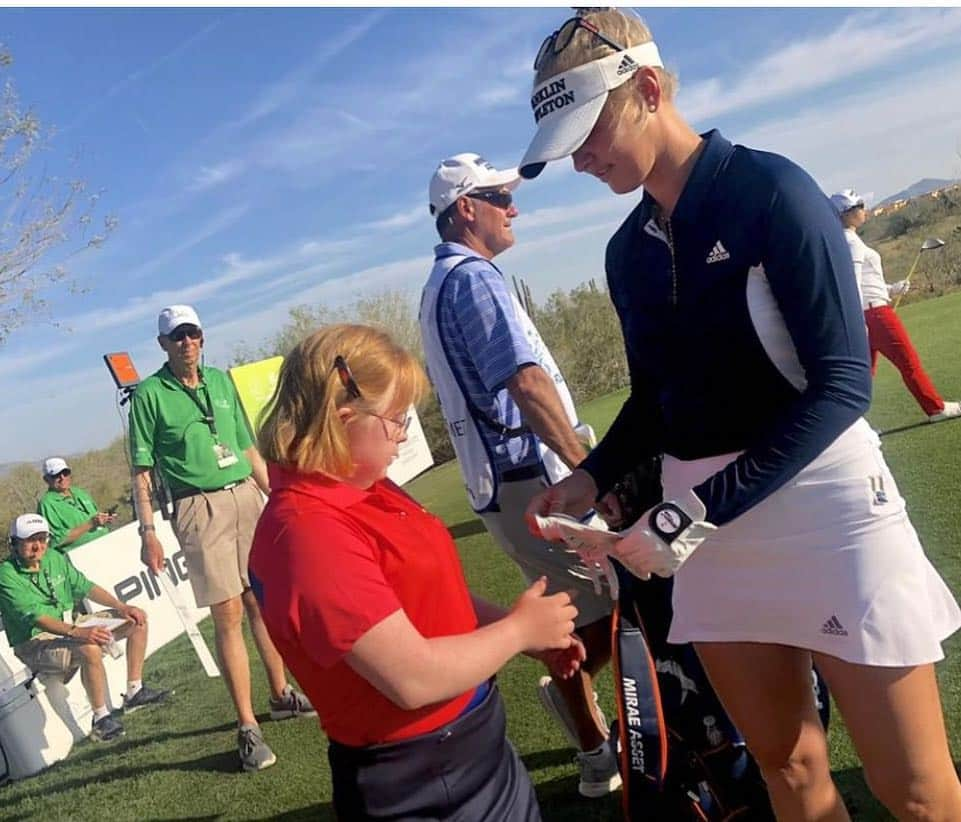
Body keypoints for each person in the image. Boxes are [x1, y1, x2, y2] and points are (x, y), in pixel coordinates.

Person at [519, 10, 961, 820]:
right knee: (784, 767)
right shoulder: (626, 252)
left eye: (587, 131)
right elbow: (656, 397)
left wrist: (689, 514)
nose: (579, 159)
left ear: (648, 89)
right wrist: (588, 478)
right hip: (702, 530)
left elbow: (840, 387)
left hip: (826, 512)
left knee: (917, 792)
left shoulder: (772, 192)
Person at [249, 324, 583, 821]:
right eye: (396, 420)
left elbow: (432, 595)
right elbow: (411, 679)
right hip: (420, 779)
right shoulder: (306, 532)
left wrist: (516, 633)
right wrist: (517, 630)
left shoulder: (364, 487)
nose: (404, 434)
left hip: (471, 744)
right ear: (343, 419)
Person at [419, 152, 620, 798]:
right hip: (528, 477)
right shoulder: (472, 280)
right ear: (463, 210)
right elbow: (524, 381)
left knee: (594, 606)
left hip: (512, 479)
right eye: (497, 196)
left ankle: (588, 732)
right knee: (601, 603)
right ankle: (591, 746)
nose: (513, 206)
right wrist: (588, 467)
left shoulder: (446, 280)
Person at [127, 304, 314, 773]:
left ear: (202, 337)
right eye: (177, 337)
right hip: (197, 506)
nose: (187, 342)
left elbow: (248, 448)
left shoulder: (221, 381)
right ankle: (248, 726)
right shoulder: (149, 395)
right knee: (228, 612)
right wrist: (149, 532)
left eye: (192, 333)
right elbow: (142, 472)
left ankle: (280, 694)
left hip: (246, 495)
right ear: (163, 345)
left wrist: (278, 497)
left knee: (261, 601)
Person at [0, 513, 169, 742]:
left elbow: (85, 586)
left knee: (136, 620)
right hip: (34, 642)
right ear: (14, 544)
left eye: (42, 538)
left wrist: (121, 606)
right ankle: (100, 720)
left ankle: (134, 691)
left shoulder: (54, 557)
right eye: (30, 540)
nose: (38, 545)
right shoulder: (6, 575)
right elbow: (37, 619)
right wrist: (79, 632)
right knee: (88, 646)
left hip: (69, 626)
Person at [831, 188, 961, 422]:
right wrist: (861, 322)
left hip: (869, 312)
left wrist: (891, 289)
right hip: (874, 315)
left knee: (864, 377)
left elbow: (866, 282)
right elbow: (853, 283)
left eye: (860, 204)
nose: (862, 210)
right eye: (856, 207)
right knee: (908, 362)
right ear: (844, 214)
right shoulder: (851, 243)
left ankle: (854, 426)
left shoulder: (847, 240)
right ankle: (935, 408)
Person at [37, 457, 118, 553]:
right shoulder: (47, 504)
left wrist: (105, 518)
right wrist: (91, 524)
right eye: (56, 475)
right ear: (46, 479)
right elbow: (57, 540)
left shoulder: (79, 492)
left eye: (65, 473)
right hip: (80, 555)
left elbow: (94, 515)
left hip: (106, 544)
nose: (62, 478)